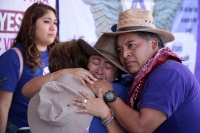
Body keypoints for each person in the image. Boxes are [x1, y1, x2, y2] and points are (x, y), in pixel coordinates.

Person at [73, 8, 200, 133]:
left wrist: (109, 93)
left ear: (154, 44)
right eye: (120, 50)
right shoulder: (145, 76)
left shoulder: (169, 73)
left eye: (131, 45)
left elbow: (141, 129)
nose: (124, 54)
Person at [22, 35, 128, 133]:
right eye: (95, 63)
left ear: (117, 74)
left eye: (108, 67)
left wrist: (106, 114)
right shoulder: (64, 83)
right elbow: (26, 90)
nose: (99, 71)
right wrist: (66, 72)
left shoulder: (120, 91)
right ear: (85, 64)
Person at [0, 2, 59, 133]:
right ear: (31, 25)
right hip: (21, 128)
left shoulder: (57, 55)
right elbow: (2, 105)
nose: (53, 27)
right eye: (47, 21)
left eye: (55, 22)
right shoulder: (13, 57)